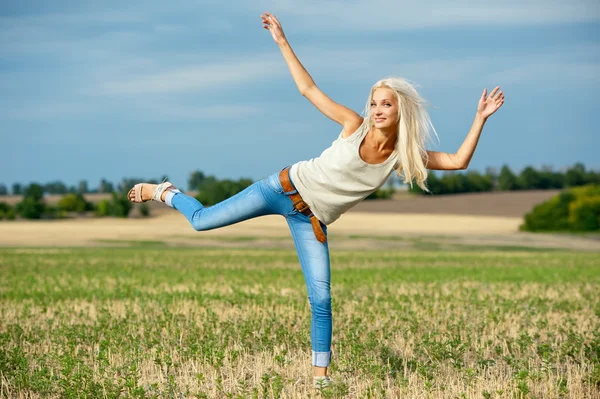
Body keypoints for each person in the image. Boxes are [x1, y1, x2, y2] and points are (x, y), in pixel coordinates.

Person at [128, 12, 504, 390]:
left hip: (310, 221)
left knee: (321, 298)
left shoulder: (402, 156)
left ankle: (320, 378)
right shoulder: (353, 126)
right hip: (280, 189)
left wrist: (480, 118)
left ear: (399, 110)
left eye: (386, 104)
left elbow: (457, 161)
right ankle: (166, 192)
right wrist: (282, 41)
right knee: (202, 221)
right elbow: (308, 90)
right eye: (374, 103)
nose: (377, 110)